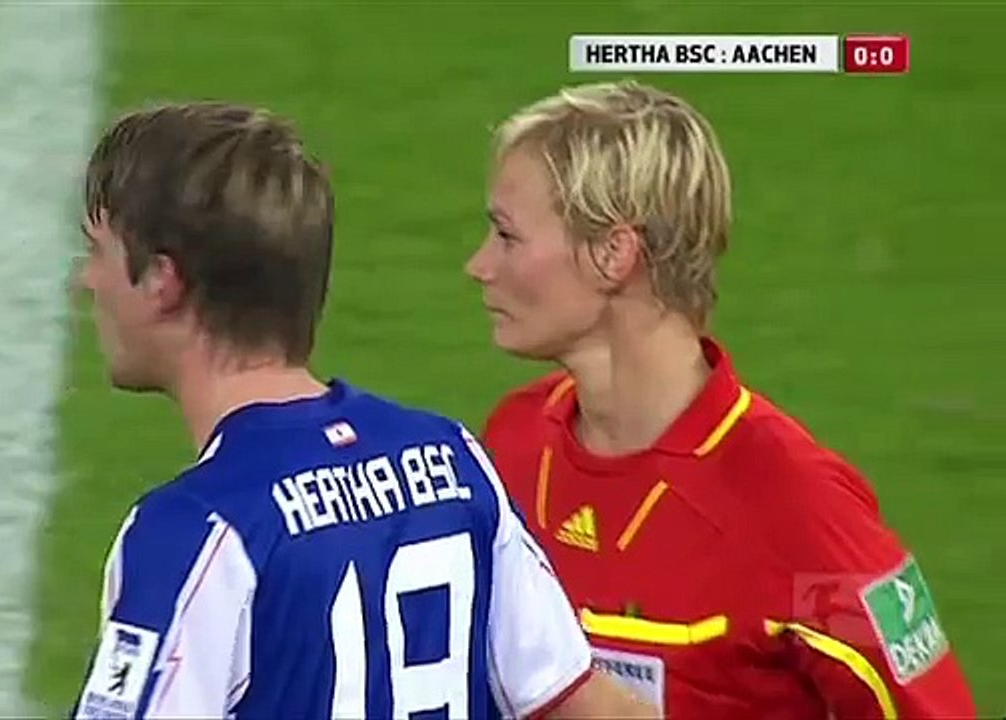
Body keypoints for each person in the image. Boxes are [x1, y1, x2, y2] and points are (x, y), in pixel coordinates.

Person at [69, 101, 655, 719]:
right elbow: (591, 706)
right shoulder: (453, 463)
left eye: (98, 252)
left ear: (162, 282)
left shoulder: (194, 531)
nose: (87, 281)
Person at [464, 80, 978, 718]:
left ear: (612, 253)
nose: (479, 265)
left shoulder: (799, 512)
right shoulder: (514, 445)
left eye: (507, 236)